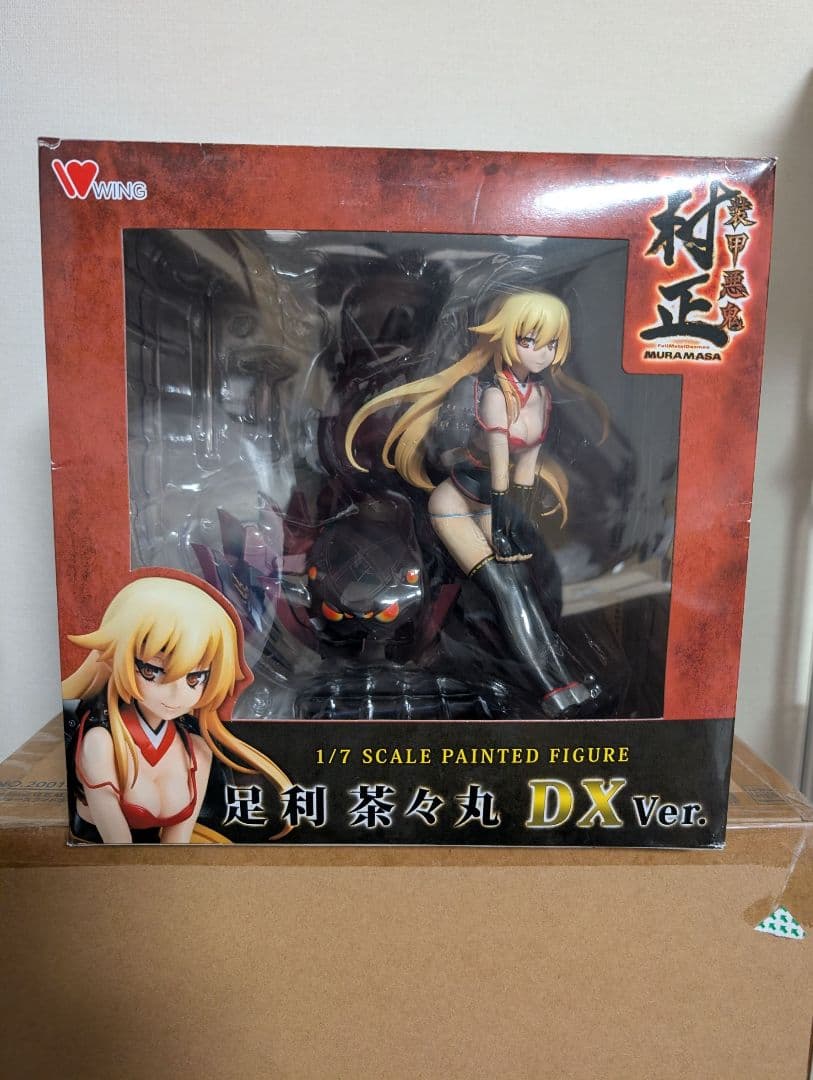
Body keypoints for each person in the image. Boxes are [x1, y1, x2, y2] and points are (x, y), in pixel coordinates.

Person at [345, 290, 606, 718]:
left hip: (491, 503)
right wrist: (503, 528)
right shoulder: (494, 394)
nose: (541, 352)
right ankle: (552, 690)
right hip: (455, 504)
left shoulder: (540, 397)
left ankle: (566, 681)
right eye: (528, 340)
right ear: (505, 337)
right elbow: (500, 468)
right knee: (508, 592)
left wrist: (519, 525)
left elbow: (527, 467)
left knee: (525, 589)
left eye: (551, 343)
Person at [62, 573, 291, 843]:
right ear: (119, 658)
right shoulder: (101, 744)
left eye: (195, 678)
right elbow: (119, 850)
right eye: (153, 671)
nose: (177, 694)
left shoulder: (198, 751)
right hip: (99, 860)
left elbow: (177, 846)